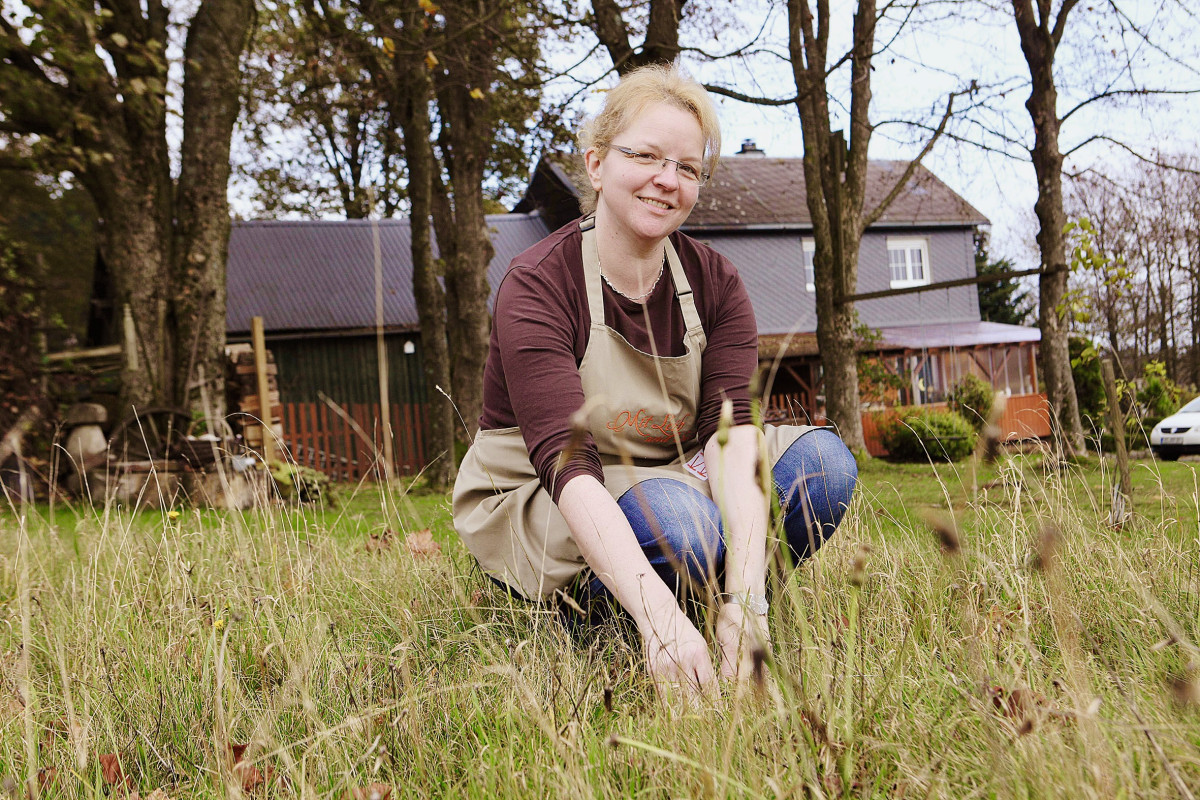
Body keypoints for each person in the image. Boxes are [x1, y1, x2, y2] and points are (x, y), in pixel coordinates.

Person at [453, 63, 857, 697]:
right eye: (645, 155)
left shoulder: (717, 284)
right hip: (551, 489)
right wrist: (659, 618)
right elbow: (568, 465)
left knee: (825, 466)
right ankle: (606, 615)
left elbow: (730, 438)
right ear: (595, 164)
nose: (667, 181)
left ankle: (725, 615)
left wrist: (747, 603)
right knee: (679, 520)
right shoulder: (538, 283)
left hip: (673, 472)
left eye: (689, 168)